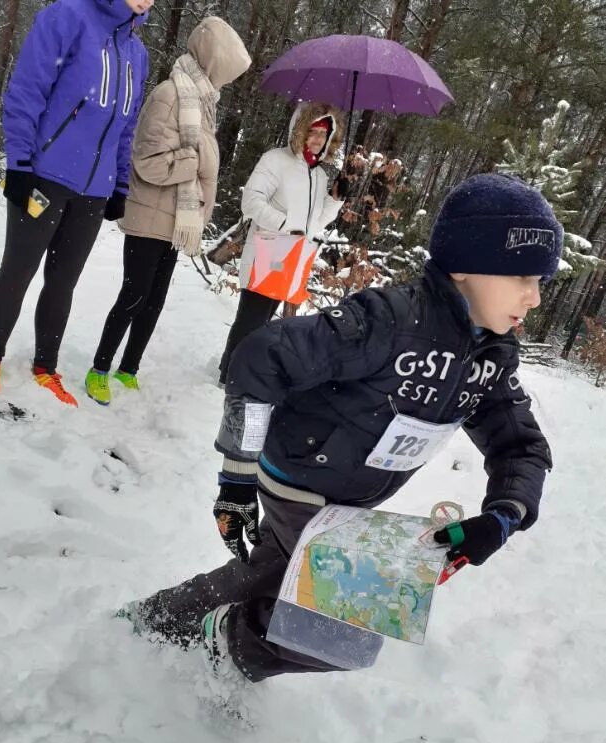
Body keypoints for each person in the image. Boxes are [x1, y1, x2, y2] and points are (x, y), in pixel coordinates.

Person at [127, 173, 562, 685]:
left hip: (351, 499)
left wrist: (504, 515)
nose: (534, 298)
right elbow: (262, 357)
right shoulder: (389, 321)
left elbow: (521, 446)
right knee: (345, 633)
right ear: (467, 266)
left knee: (267, 570)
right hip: (299, 477)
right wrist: (237, 477)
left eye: (541, 283)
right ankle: (232, 640)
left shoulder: (491, 356)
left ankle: (153, 621)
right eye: (522, 278)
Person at [0, 0, 151, 405]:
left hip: (93, 192)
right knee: (18, 270)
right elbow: (27, 89)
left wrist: (121, 182)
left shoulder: (136, 53)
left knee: (63, 283)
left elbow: (126, 126)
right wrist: (20, 162)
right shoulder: (68, 17)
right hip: (44, 176)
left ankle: (45, 367)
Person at [85, 17, 251, 405]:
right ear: (213, 62)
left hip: (176, 219)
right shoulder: (169, 95)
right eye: (226, 71)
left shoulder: (204, 100)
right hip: (149, 215)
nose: (227, 80)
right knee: (134, 295)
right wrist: (191, 163)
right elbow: (148, 161)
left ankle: (129, 369)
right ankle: (99, 368)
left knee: (154, 300)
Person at [217, 102, 347, 386]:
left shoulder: (319, 174)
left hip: (292, 258)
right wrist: (287, 226)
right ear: (300, 130)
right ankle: (229, 374)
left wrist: (336, 200)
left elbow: (315, 224)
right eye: (312, 132)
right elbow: (250, 203)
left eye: (324, 134)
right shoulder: (276, 160)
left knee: (264, 320)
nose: (317, 140)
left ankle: (241, 371)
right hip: (268, 250)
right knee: (250, 318)